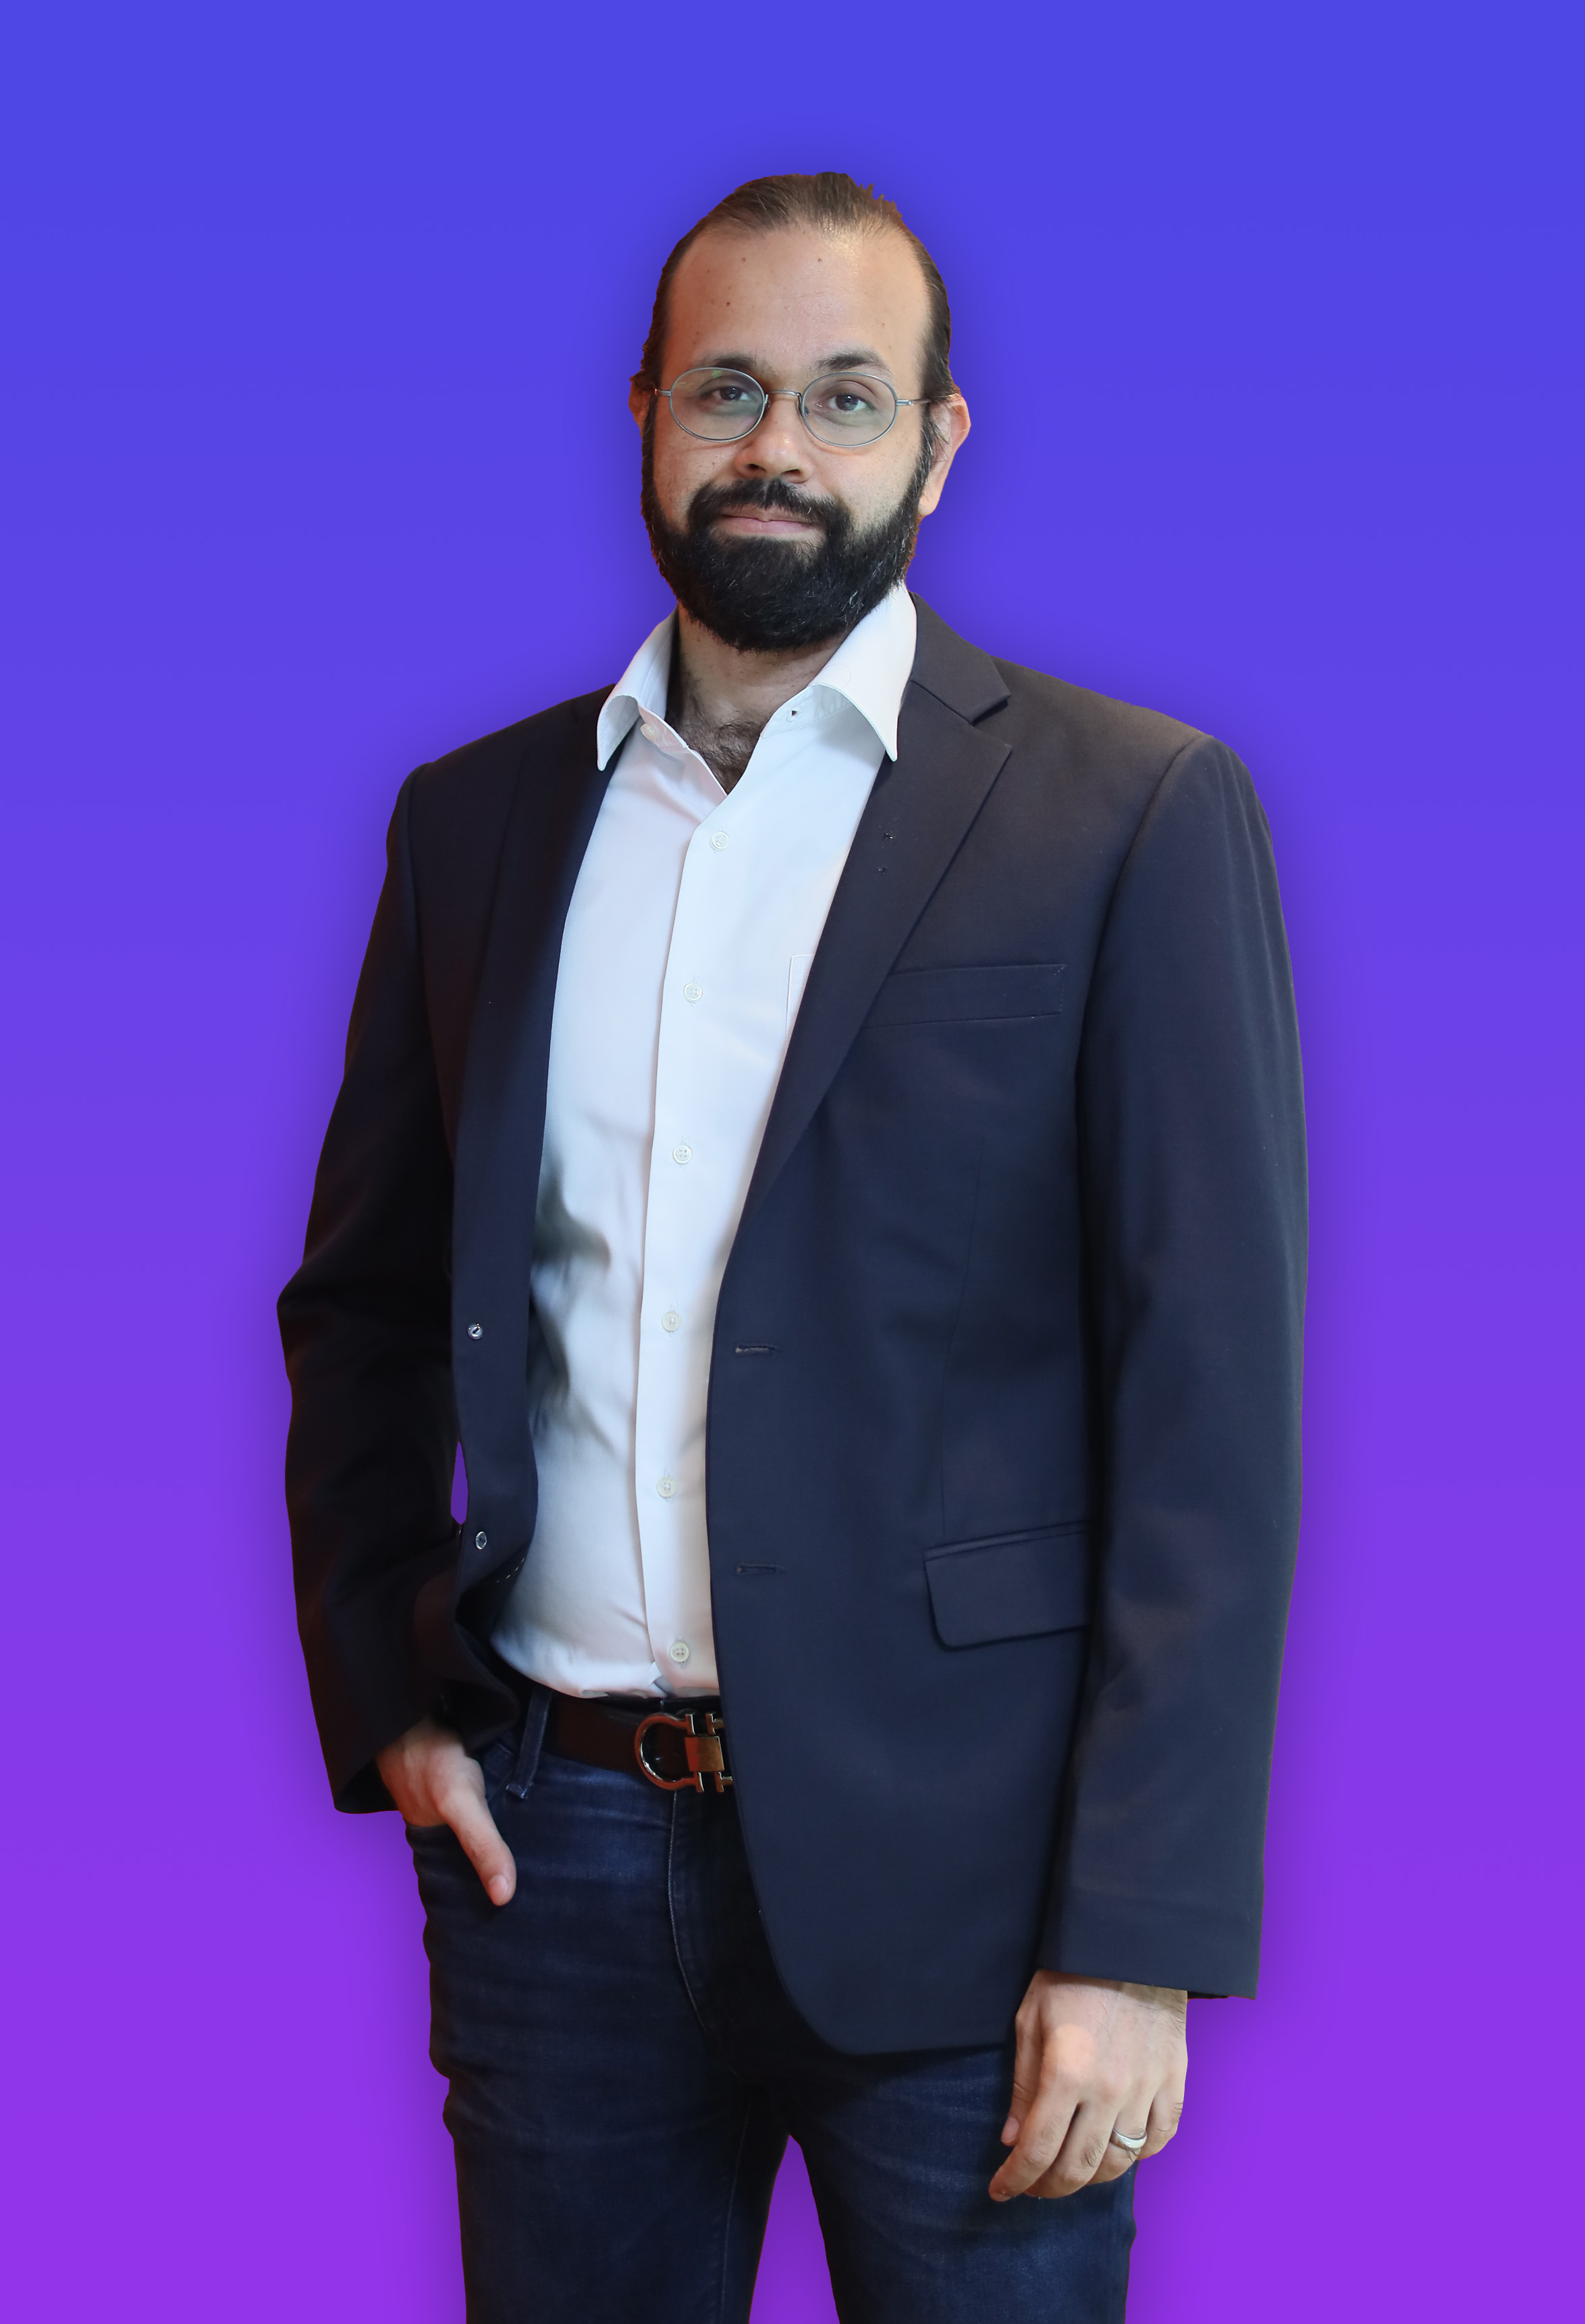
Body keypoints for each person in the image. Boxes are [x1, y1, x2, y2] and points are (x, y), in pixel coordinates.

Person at [279, 171, 1306, 2324]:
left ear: (939, 444)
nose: (776, 444)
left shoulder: (1126, 813)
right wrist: (392, 1689)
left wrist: (1134, 1934)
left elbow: (1208, 1409)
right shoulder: (472, 825)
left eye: (845, 396)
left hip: (977, 1902)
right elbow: (364, 1303)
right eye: (728, 386)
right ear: (643, 415)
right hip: (547, 1859)